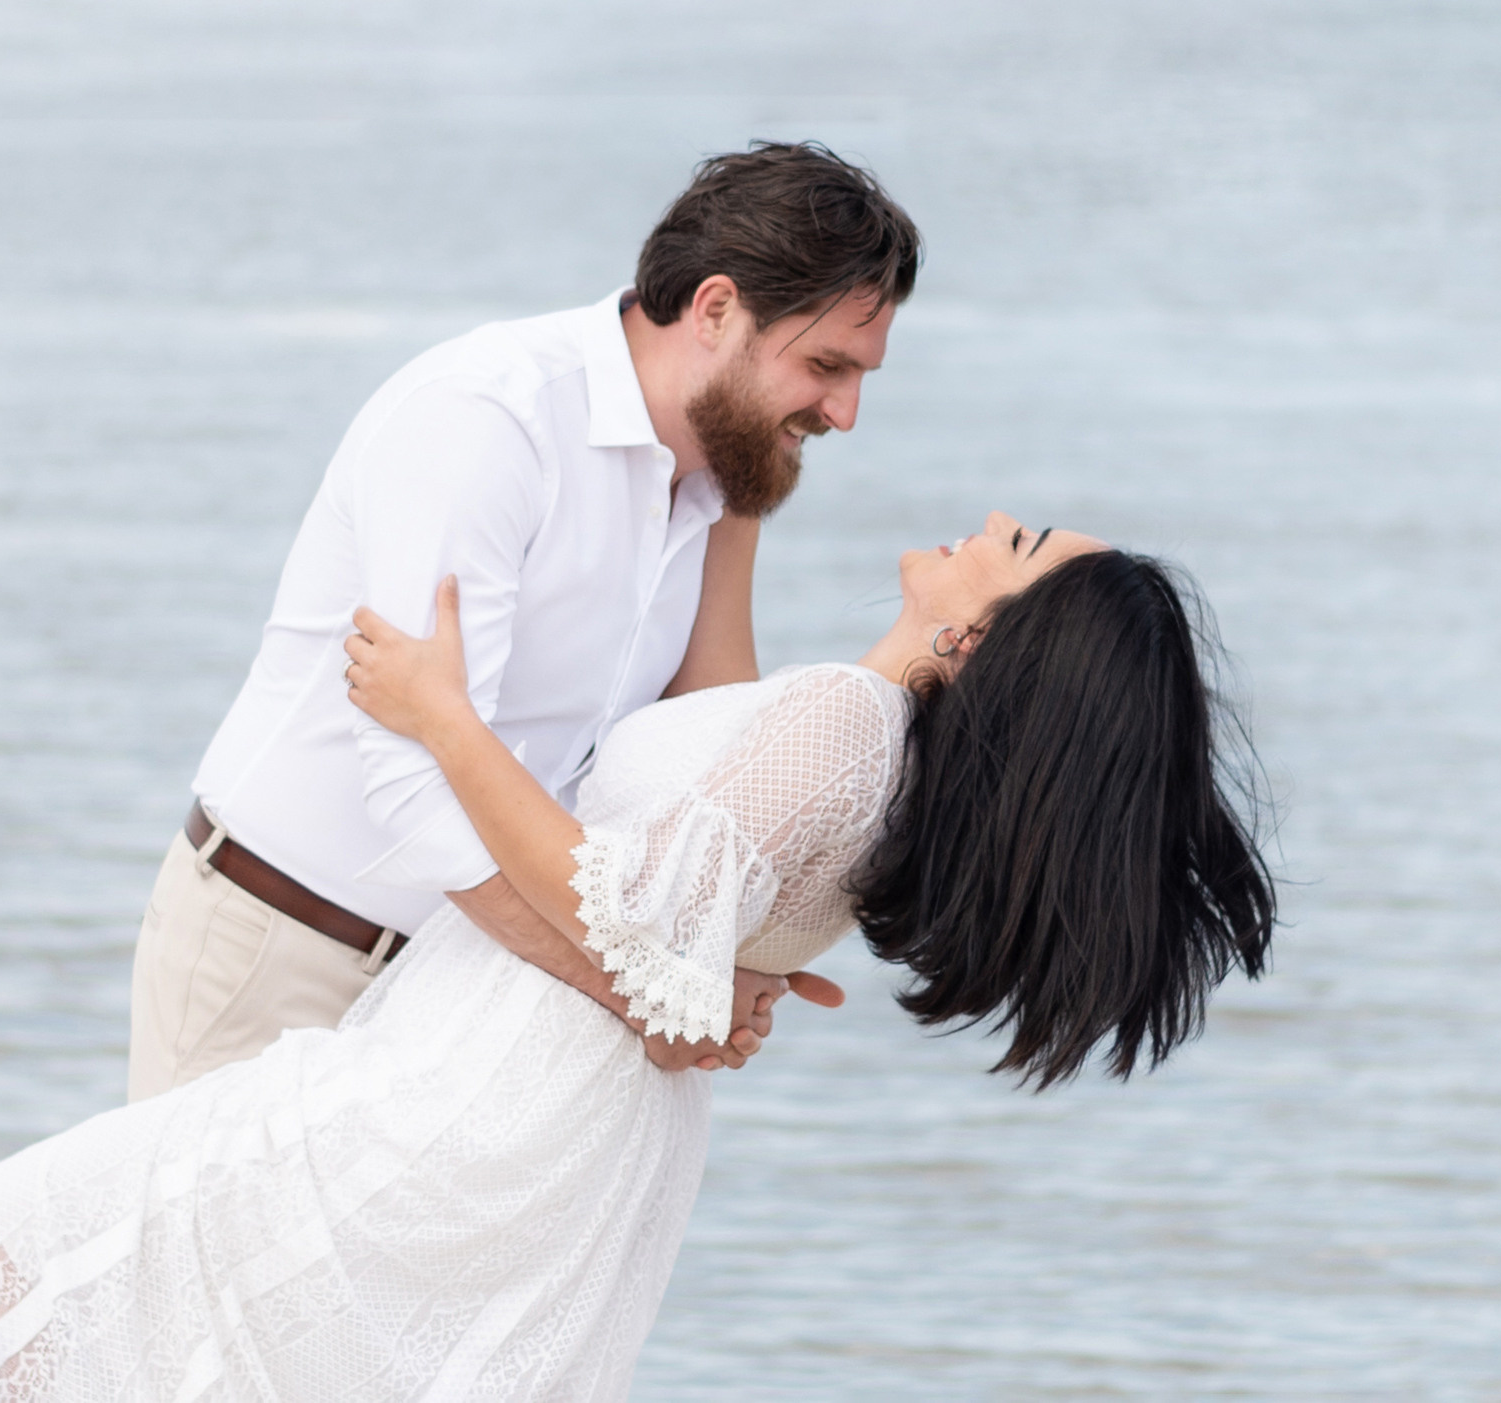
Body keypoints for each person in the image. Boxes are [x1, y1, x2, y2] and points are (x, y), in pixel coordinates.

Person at [0, 513, 1277, 1402]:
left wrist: (441, 719)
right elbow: (704, 745)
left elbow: (624, 900)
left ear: (980, 634)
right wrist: (735, 510)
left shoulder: (850, 726)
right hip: (565, 1115)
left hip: (487, 1094)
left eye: (1016, 541)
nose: (985, 522)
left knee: (18, 1233)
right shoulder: (869, 750)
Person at [127, 141, 921, 1101]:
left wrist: (716, 961)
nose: (845, 411)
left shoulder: (718, 474)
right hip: (288, 951)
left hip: (479, 976)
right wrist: (642, 993)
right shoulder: (490, 419)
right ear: (715, 310)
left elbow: (702, 757)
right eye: (826, 365)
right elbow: (410, 780)